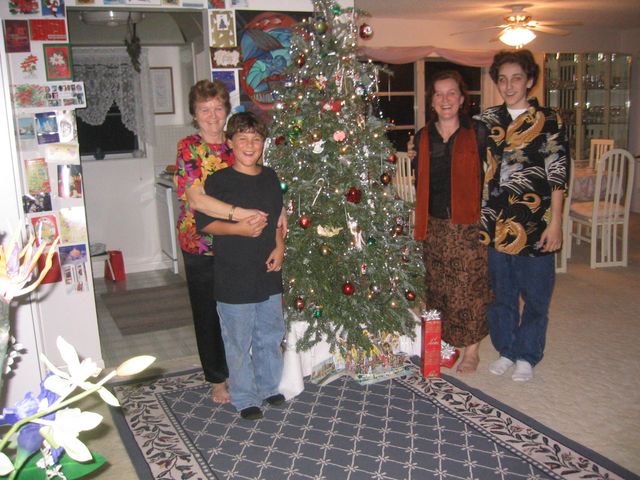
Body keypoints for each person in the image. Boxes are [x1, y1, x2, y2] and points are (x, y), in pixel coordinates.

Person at [476, 50, 569, 382]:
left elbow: (558, 173)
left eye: (516, 78)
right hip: (494, 222)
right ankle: (506, 349)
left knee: (536, 295)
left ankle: (527, 354)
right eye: (502, 79)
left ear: (529, 80)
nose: (509, 86)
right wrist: (417, 148)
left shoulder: (550, 119)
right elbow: (459, 152)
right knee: (500, 294)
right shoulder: (486, 120)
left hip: (535, 222)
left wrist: (556, 222)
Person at [175, 79, 270, 405]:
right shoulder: (189, 148)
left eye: (218, 108)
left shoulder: (236, 143)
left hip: (240, 244)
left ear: (226, 110)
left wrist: (277, 213)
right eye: (205, 110)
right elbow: (197, 199)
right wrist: (240, 214)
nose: (213, 116)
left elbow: (259, 182)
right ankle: (218, 378)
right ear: (194, 114)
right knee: (208, 314)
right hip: (200, 243)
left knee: (240, 310)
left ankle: (243, 371)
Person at [196, 112, 286, 421]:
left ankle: (269, 386)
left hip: (268, 271)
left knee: (270, 332)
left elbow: (276, 219)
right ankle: (245, 396)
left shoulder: (271, 176)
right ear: (230, 143)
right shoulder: (219, 182)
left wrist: (280, 247)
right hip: (234, 273)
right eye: (243, 139)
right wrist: (239, 229)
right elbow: (206, 223)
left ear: (263, 144)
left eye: (256, 139)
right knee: (238, 339)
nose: (249, 145)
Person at [409, 70, 492, 373]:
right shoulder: (422, 137)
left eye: (451, 93)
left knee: (469, 287)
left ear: (461, 98)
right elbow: (421, 180)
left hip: (467, 223)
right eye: (438, 94)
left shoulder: (478, 132)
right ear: (432, 101)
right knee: (438, 287)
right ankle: (442, 342)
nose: (445, 99)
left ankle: (472, 350)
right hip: (433, 224)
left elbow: (494, 174)